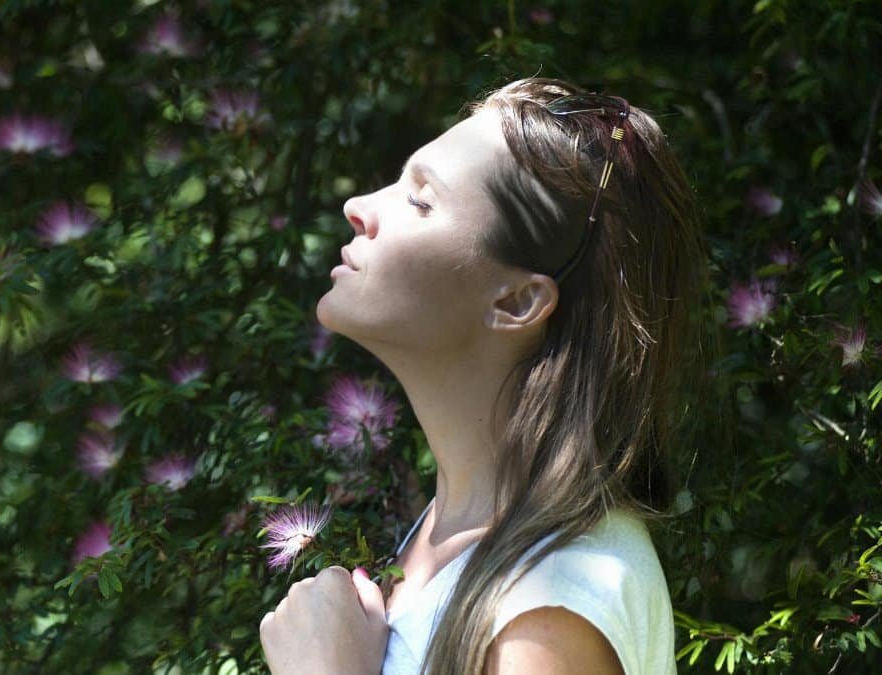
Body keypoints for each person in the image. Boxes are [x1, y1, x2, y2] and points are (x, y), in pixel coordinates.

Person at [259, 76, 705, 674]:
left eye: (420, 201)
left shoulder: (549, 607)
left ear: (517, 302)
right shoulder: (458, 535)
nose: (359, 208)